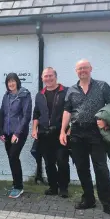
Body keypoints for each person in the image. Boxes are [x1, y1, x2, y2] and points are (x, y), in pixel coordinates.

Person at [60, 59, 110, 219]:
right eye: (80, 69)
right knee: (82, 168)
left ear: (91, 69)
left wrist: (107, 121)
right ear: (76, 71)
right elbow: (67, 112)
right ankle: (88, 199)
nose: (83, 71)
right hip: (77, 133)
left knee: (101, 168)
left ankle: (109, 204)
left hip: (96, 133)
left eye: (85, 68)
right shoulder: (71, 90)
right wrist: (62, 131)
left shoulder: (102, 86)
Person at [32, 67, 70, 198]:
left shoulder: (65, 92)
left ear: (55, 76)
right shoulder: (39, 94)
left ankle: (64, 188)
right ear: (42, 78)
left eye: (50, 76)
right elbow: (36, 113)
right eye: (45, 76)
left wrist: (67, 130)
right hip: (44, 134)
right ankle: (53, 187)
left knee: (62, 161)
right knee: (48, 162)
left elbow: (71, 111)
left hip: (60, 133)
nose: (48, 78)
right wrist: (34, 130)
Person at [0, 73, 32, 198]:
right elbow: (2, 114)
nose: (11, 84)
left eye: (13, 81)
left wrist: (17, 133)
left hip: (19, 132)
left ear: (17, 81)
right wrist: (0, 132)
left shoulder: (24, 95)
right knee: (12, 158)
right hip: (7, 133)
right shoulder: (6, 96)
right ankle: (16, 183)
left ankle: (19, 187)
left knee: (13, 156)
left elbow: (26, 116)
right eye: (8, 81)